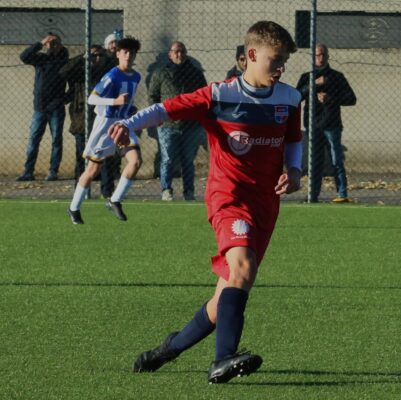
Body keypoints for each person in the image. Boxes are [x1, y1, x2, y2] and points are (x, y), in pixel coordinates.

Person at [108, 21, 302, 384]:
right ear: (251, 55)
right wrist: (129, 124)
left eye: (285, 62)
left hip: (266, 205)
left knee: (226, 295)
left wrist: (294, 169)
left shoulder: (289, 98)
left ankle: (167, 350)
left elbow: (294, 138)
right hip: (229, 198)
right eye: (275, 60)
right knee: (241, 268)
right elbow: (165, 109)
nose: (281, 69)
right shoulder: (218, 95)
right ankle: (223, 360)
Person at [67, 36, 142, 225]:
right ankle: (74, 208)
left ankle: (114, 200)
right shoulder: (112, 75)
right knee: (93, 169)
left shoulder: (136, 76)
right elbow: (92, 99)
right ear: (117, 54)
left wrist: (129, 109)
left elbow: (127, 101)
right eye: (125, 52)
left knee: (135, 161)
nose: (129, 56)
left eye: (132, 53)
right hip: (105, 125)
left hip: (124, 123)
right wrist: (115, 102)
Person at [296, 43, 356, 203]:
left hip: (332, 125)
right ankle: (312, 195)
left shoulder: (337, 77)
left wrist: (331, 99)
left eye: (323, 55)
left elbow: (351, 99)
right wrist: (313, 84)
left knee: (336, 160)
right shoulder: (307, 77)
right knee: (314, 162)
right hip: (313, 125)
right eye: (317, 55)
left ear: (328, 56)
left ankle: (342, 194)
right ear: (312, 57)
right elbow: (297, 96)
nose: (320, 58)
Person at [148, 40, 208, 201]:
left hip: (191, 125)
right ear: (170, 54)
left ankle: (189, 192)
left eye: (181, 51)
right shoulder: (161, 73)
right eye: (175, 51)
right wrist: (157, 116)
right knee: (167, 159)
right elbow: (153, 96)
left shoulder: (195, 73)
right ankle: (166, 190)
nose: (179, 54)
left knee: (188, 161)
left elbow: (204, 96)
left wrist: (201, 117)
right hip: (167, 124)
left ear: (185, 53)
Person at [17, 33, 69, 181]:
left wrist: (63, 99)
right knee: (33, 140)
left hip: (56, 108)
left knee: (56, 140)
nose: (52, 45)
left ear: (61, 44)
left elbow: (75, 81)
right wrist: (40, 43)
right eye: (50, 43)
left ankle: (53, 171)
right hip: (39, 107)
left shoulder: (64, 60)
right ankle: (28, 171)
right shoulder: (41, 59)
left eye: (55, 43)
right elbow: (24, 57)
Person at [59, 45, 108, 181]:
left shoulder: (108, 73)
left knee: (103, 154)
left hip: (102, 118)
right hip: (81, 118)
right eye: (93, 56)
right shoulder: (80, 73)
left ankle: (106, 190)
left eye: (100, 56)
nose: (97, 59)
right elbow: (64, 71)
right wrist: (83, 57)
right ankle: (80, 184)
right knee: (81, 153)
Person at [99, 32, 123, 199]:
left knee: (115, 152)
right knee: (101, 152)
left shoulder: (123, 67)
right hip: (103, 113)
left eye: (117, 43)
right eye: (111, 43)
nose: (114, 45)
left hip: (119, 113)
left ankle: (111, 188)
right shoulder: (103, 64)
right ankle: (103, 189)